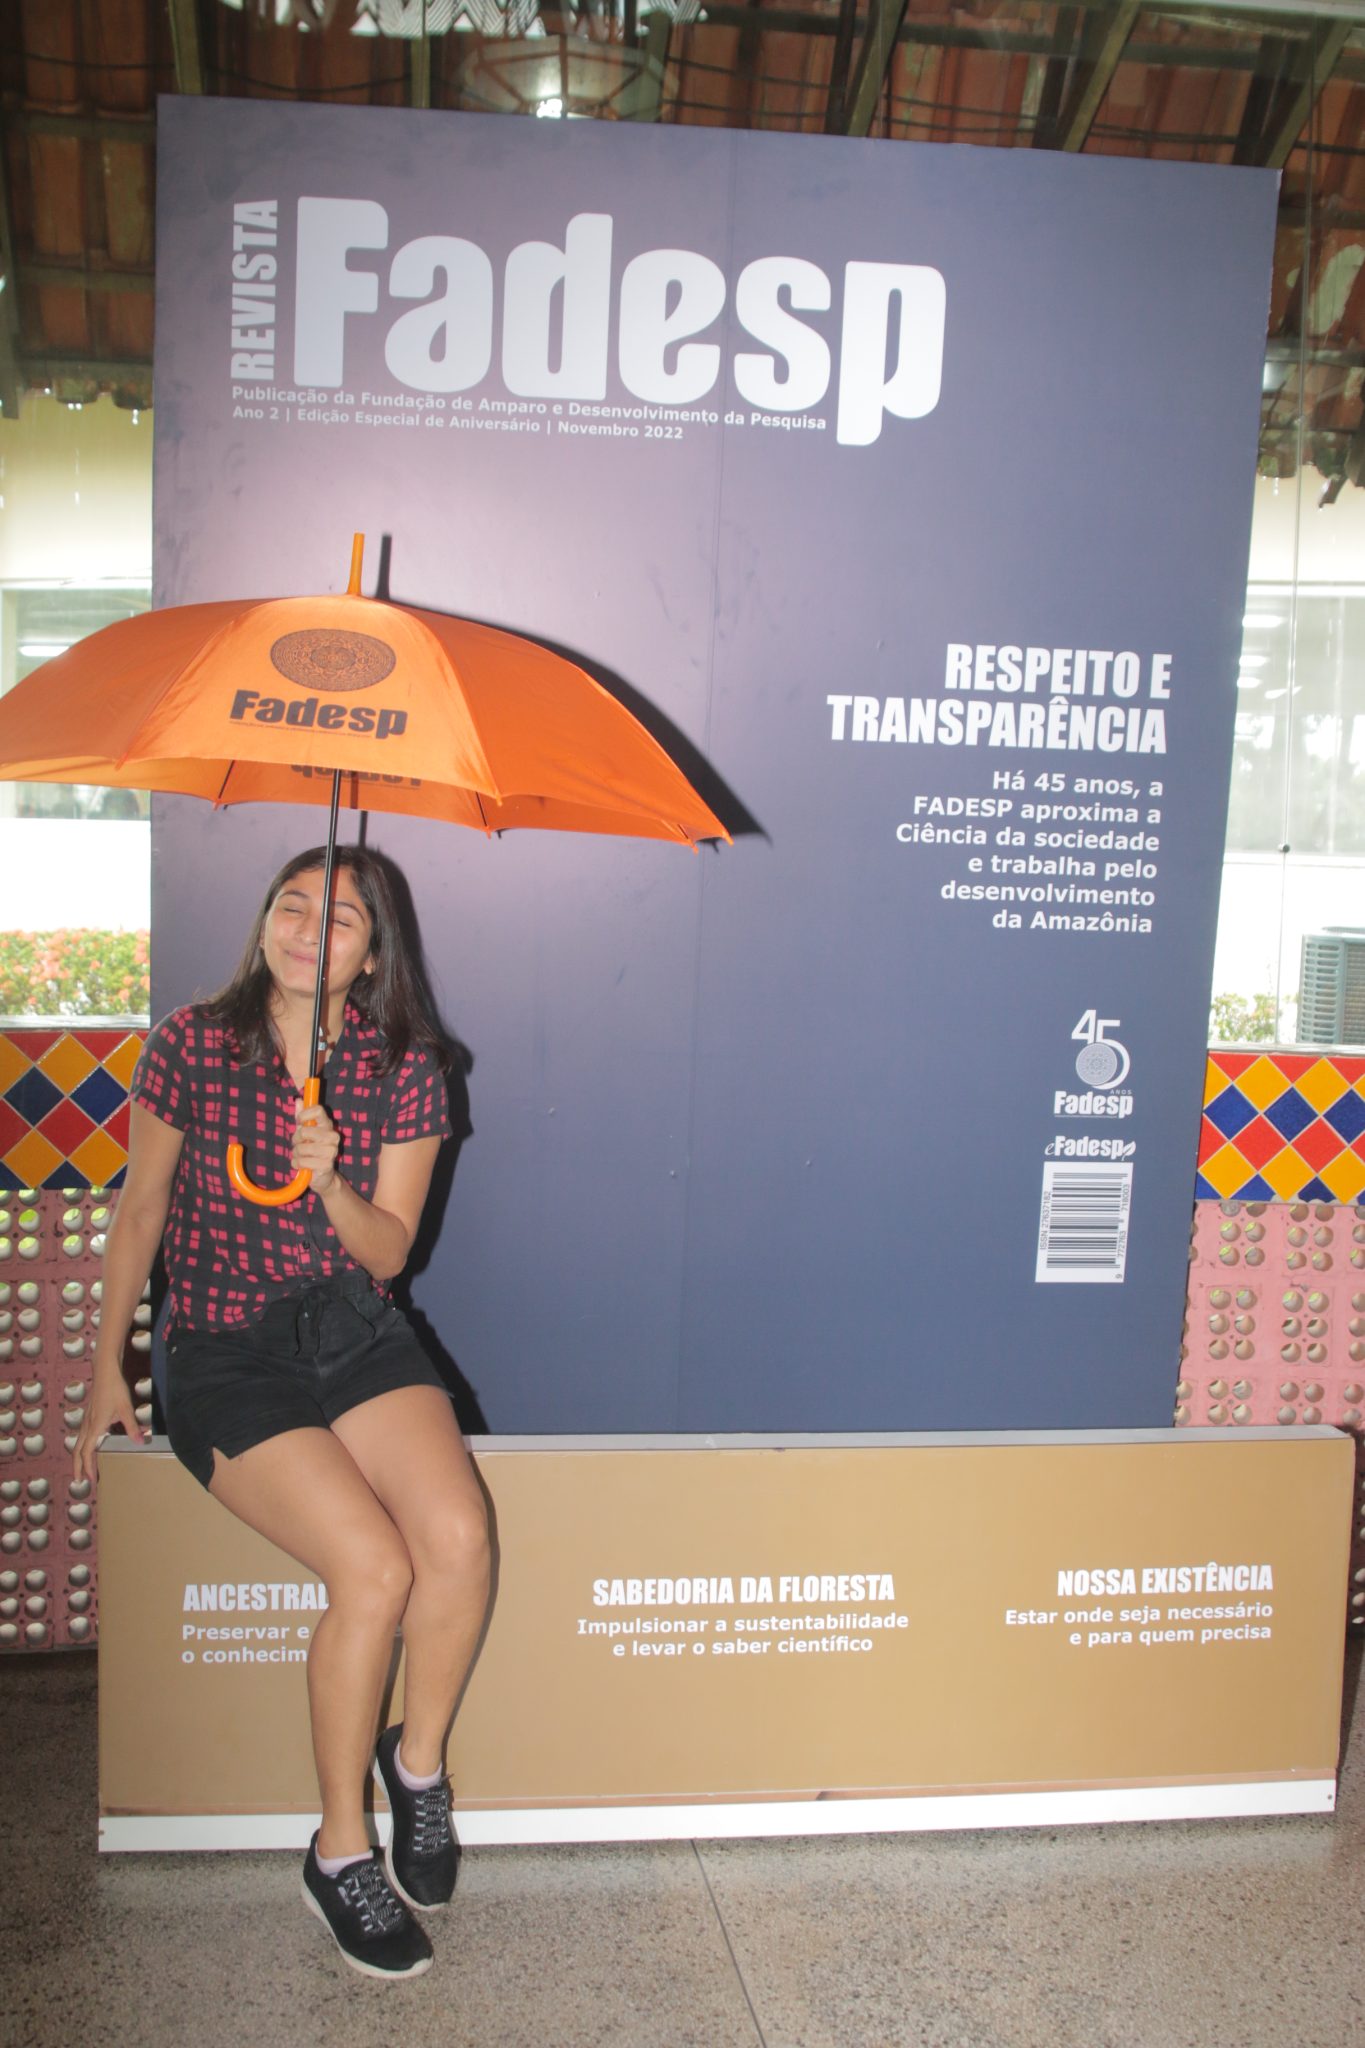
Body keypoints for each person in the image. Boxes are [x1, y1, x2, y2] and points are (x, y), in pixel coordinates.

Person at [74, 846, 490, 1982]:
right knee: (375, 1570)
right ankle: (339, 1847)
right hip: (224, 1345)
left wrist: (330, 1177)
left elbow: (389, 1254)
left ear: (373, 955)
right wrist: (108, 1362)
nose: (309, 928)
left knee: (457, 1537)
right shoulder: (192, 1042)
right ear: (264, 922)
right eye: (292, 905)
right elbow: (142, 1205)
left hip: (353, 1330)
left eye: (340, 918)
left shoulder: (407, 1068)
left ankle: (416, 1768)